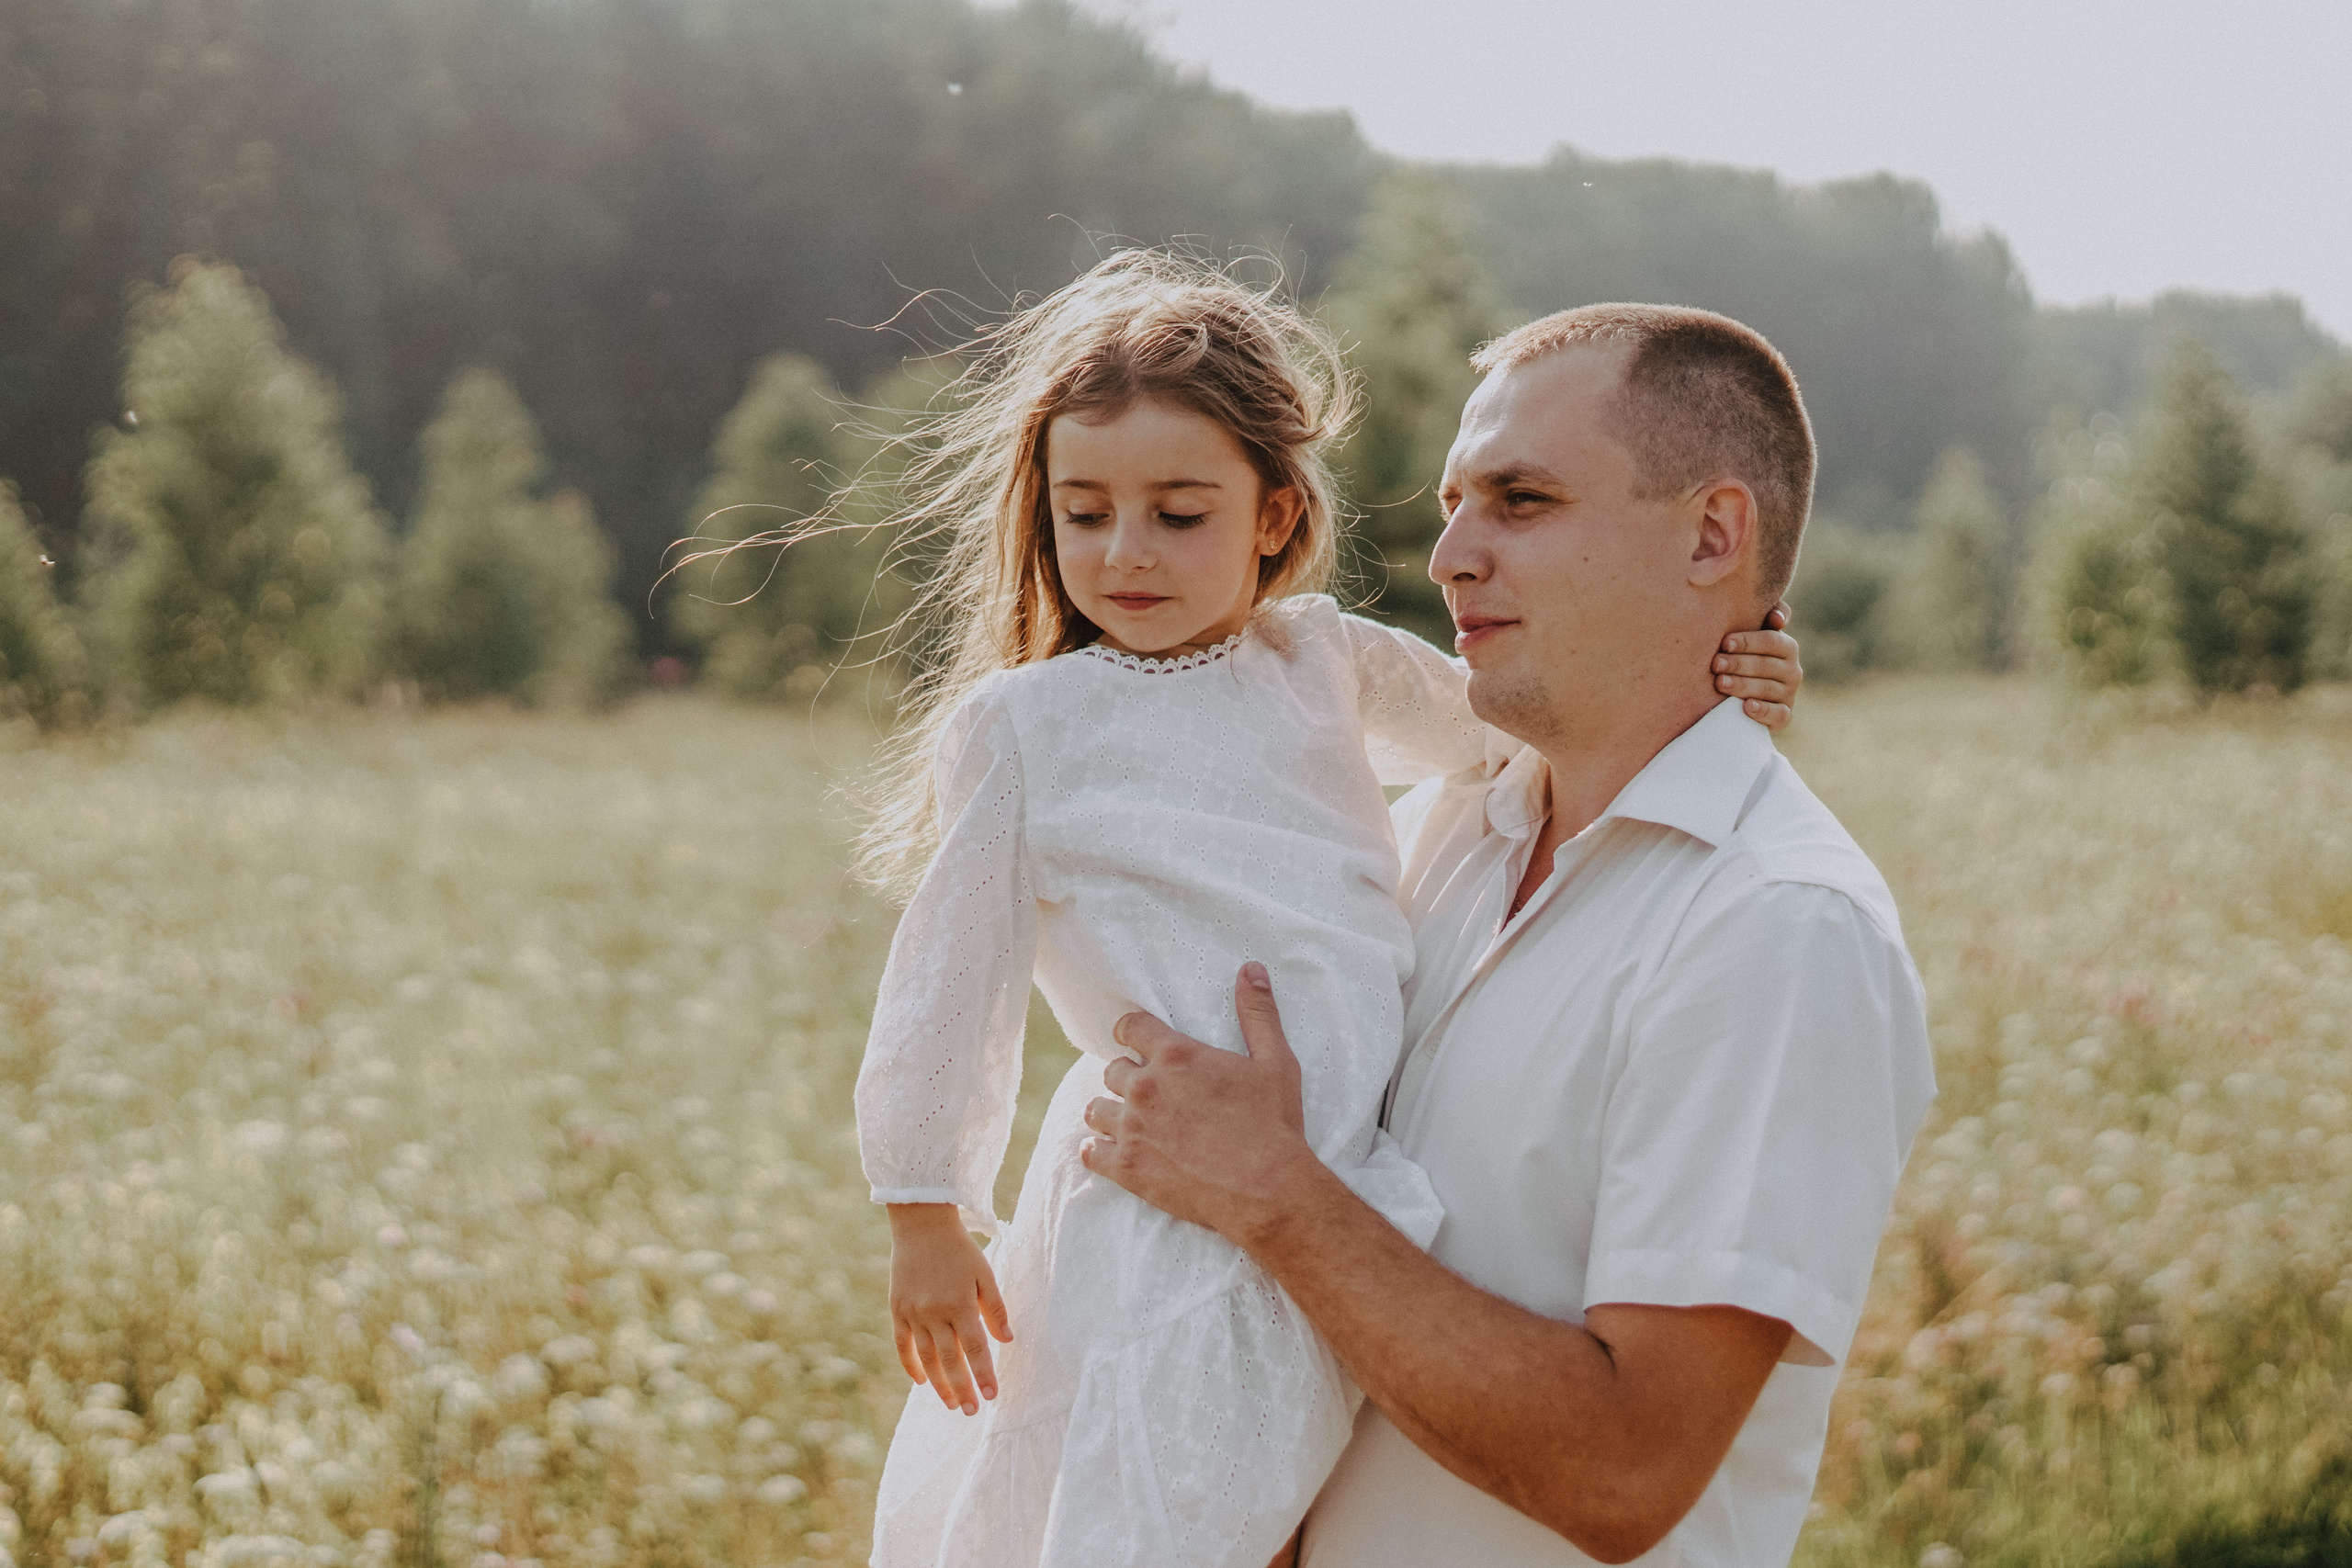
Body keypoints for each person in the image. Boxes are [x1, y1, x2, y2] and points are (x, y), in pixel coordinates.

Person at [842, 257, 1806, 1568]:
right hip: (1164, 1197)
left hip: (1344, 1174)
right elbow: (947, 978)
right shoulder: (1027, 728)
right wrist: (924, 1209)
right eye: (1086, 513)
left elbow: (1523, 737)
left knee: (1311, 1514)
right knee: (1163, 1524)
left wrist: (1717, 668)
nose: (1125, 552)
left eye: (1179, 513)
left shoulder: (1324, 661)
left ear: (1273, 515)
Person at [1080, 304, 1937, 1568]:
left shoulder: (1775, 929)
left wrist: (1276, 1198)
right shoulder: (1424, 838)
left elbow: (1627, 1469)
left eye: (1522, 500)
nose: (1450, 555)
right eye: (1453, 503)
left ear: (1713, 535)